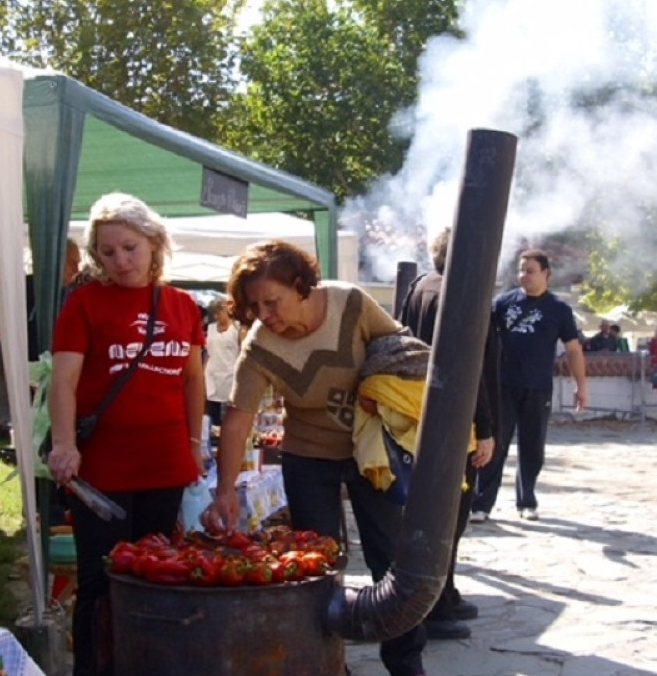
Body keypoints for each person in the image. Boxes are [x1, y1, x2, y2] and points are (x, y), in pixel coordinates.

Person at [202, 239, 427, 676]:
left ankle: (407, 664)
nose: (265, 315)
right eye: (255, 306)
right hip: (309, 457)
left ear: (301, 284)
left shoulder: (351, 304)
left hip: (372, 452)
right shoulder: (260, 348)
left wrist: (382, 388)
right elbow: (237, 420)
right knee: (315, 569)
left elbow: (398, 345)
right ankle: (328, 666)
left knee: (393, 562)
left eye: (273, 301)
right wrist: (225, 490)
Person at [46, 192, 206, 676]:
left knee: (157, 576)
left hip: (165, 462)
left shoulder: (182, 305)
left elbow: (193, 380)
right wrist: (64, 443)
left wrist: (196, 443)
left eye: (129, 247)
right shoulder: (85, 303)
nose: (120, 260)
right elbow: (64, 380)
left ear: (155, 243)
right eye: (108, 252)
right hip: (103, 467)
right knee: (101, 579)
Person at [398, 227, 496, 641]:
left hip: (422, 411)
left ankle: (446, 592)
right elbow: (472, 369)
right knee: (450, 515)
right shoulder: (459, 296)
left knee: (444, 510)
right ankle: (433, 604)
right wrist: (486, 428)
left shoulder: (421, 288)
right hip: (457, 419)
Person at [470, 248, 587, 523]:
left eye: (531, 271)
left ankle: (527, 500)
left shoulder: (559, 310)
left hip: (538, 387)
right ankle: (481, 503)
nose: (525, 276)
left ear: (546, 273)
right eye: (522, 270)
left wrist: (580, 385)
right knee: (494, 445)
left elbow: (573, 350)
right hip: (502, 387)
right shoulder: (503, 304)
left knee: (532, 447)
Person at [203, 297, 242, 426]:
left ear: (226, 311)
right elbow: (208, 352)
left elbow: (243, 353)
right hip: (212, 376)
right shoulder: (210, 328)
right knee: (212, 414)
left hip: (230, 376)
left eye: (218, 313)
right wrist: (202, 372)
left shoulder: (237, 328)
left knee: (229, 415)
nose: (216, 316)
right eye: (214, 314)